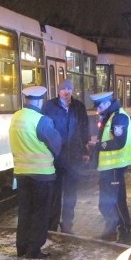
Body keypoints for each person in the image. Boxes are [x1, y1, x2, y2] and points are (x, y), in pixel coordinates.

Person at [9, 85, 62, 259]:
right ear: (40, 101)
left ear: (26, 100)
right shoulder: (41, 120)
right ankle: (34, 250)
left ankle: (21, 247)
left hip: (21, 173)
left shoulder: (16, 117)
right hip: (41, 175)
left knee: (24, 212)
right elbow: (56, 144)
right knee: (40, 213)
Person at [42, 78, 90, 234]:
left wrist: (85, 151)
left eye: (69, 88)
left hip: (74, 157)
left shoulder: (79, 107)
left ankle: (67, 224)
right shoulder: (49, 106)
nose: (66, 91)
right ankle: (52, 224)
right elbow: (44, 129)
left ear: (72, 90)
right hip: (55, 157)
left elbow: (84, 130)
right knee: (54, 193)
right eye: (64, 88)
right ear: (58, 90)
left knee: (71, 193)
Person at [90, 91, 131, 245]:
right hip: (107, 168)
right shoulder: (109, 116)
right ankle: (110, 230)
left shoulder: (119, 117)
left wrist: (98, 145)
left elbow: (118, 142)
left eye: (100, 106)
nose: (98, 110)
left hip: (116, 167)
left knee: (117, 201)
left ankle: (125, 232)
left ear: (108, 103)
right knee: (105, 203)